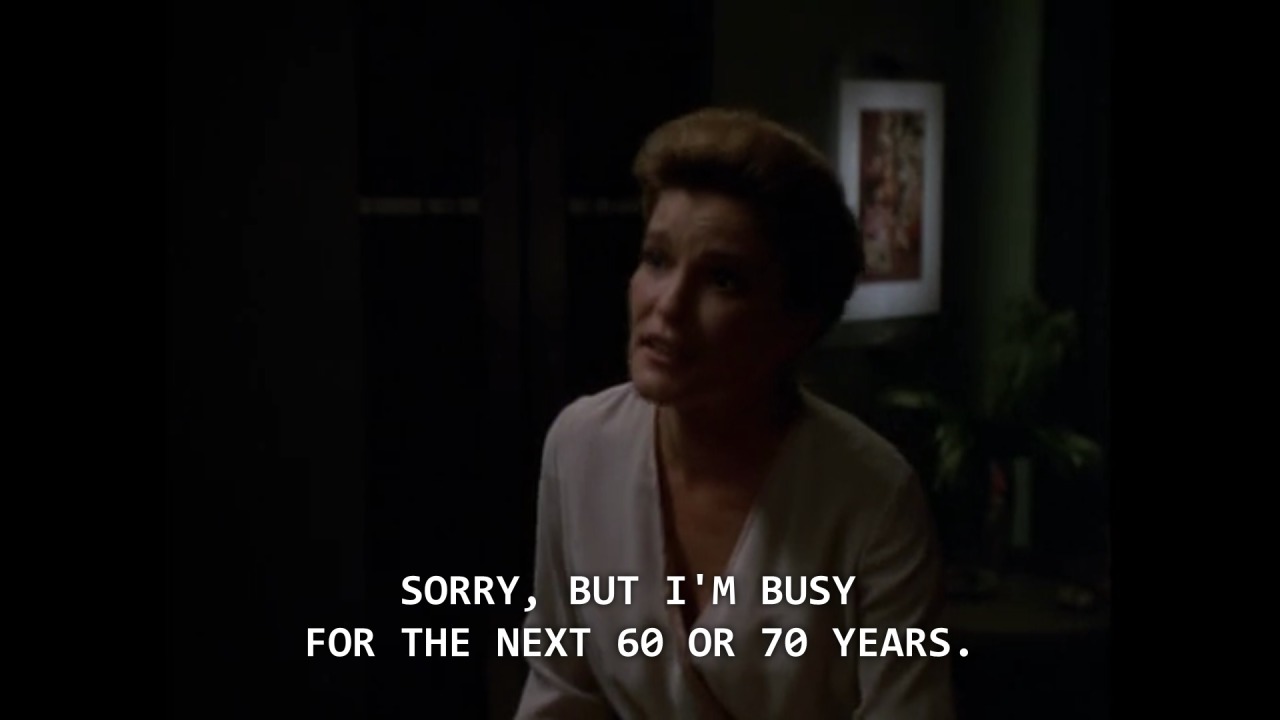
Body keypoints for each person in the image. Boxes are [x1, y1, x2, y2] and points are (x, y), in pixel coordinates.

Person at [514, 108, 954, 719]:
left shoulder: (870, 499)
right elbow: (561, 688)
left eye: (723, 280)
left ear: (796, 323)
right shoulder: (580, 446)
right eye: (657, 259)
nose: (668, 305)